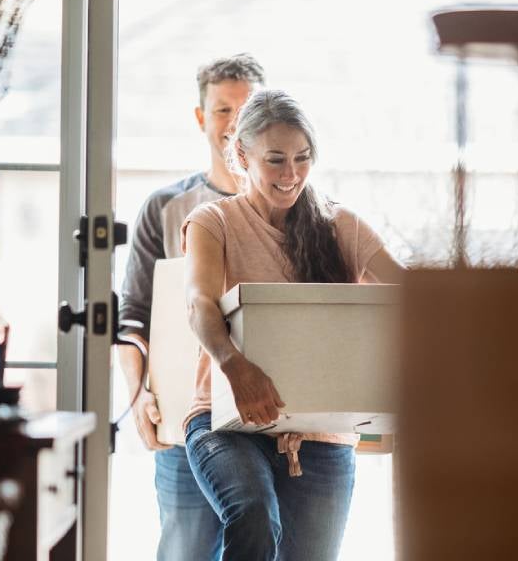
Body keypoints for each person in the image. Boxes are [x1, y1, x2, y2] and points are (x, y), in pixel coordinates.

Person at [180, 89, 405, 561]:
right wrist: (235, 365)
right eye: (276, 160)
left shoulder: (341, 225)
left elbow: (411, 295)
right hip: (226, 421)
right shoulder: (213, 221)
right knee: (253, 513)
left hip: (321, 434)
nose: (292, 174)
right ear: (242, 155)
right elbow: (199, 301)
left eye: (302, 158)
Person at [117, 53, 265, 561]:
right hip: (184, 422)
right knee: (184, 550)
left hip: (266, 422)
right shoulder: (164, 208)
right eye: (222, 110)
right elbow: (133, 317)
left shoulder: (291, 209)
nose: (234, 124)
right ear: (201, 118)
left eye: (247, 110)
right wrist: (139, 397)